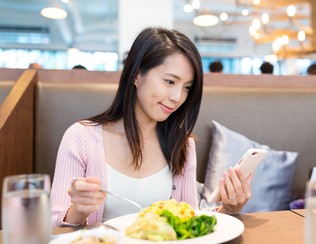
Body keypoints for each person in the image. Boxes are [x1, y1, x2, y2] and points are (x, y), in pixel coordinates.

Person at [50, 27, 255, 227]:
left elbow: (188, 220)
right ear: (137, 75)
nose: (177, 98)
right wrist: (79, 209)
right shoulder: (81, 137)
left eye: (187, 88)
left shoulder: (182, 145)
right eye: (169, 81)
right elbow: (54, 227)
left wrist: (228, 209)